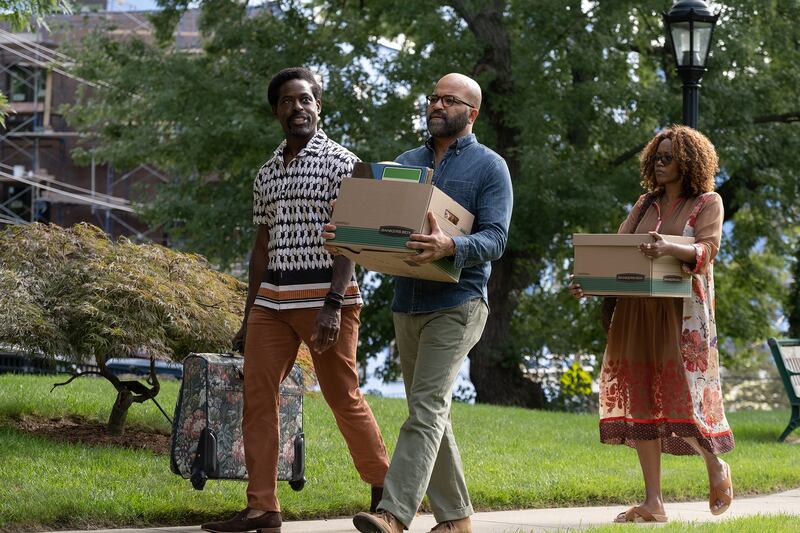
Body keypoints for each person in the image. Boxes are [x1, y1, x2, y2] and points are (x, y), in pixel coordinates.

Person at [202, 67, 389, 533]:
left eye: (305, 99)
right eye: (287, 101)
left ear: (318, 106)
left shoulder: (343, 162)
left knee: (341, 394)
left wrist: (332, 302)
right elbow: (261, 247)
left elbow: (350, 237)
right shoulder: (266, 172)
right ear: (276, 111)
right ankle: (263, 508)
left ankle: (388, 489)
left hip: (325, 296)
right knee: (256, 393)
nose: (297, 108)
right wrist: (247, 316)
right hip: (272, 299)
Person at [324, 73, 513, 533]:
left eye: (449, 100)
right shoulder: (405, 163)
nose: (436, 105)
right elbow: (382, 229)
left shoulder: (490, 167)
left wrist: (450, 246)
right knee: (431, 410)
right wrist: (346, 236)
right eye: (433, 97)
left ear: (472, 112)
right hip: (407, 300)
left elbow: (497, 239)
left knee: (426, 407)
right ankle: (456, 519)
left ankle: (393, 513)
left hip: (459, 301)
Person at [569, 125, 734, 523]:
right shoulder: (645, 204)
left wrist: (668, 246)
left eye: (668, 158)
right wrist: (589, 283)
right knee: (640, 396)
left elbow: (706, 250)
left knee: (682, 396)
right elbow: (620, 250)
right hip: (637, 311)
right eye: (655, 158)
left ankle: (715, 465)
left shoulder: (707, 202)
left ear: (688, 162)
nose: (659, 164)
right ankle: (653, 503)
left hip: (681, 316)